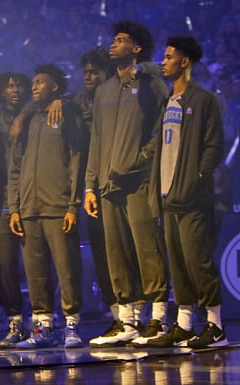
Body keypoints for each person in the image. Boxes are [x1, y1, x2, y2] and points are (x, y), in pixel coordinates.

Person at [85, 21, 170, 348]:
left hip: (139, 183)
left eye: (121, 41)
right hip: (107, 185)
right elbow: (96, 140)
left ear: (135, 48)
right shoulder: (104, 90)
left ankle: (159, 318)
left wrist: (142, 160)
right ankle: (127, 322)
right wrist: (89, 186)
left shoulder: (151, 84)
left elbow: (162, 127)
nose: (113, 45)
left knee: (147, 249)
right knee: (116, 252)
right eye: (113, 40)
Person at [145, 36, 227, 349]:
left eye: (168, 57)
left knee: (197, 260)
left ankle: (216, 327)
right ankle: (183, 325)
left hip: (192, 196)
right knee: (177, 263)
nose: (163, 62)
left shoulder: (203, 100)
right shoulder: (167, 101)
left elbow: (213, 146)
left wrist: (197, 177)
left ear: (184, 62)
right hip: (167, 196)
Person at [7, 64, 85, 348]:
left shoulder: (67, 115)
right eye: (34, 82)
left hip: (57, 205)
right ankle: (43, 326)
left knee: (66, 269)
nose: (34, 86)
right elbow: (14, 167)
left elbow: (76, 161)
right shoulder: (25, 120)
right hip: (28, 208)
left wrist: (72, 205)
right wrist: (14, 207)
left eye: (41, 82)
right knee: (35, 271)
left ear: (54, 87)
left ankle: (72, 324)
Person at [71, 48, 119, 332]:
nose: (88, 77)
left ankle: (135, 314)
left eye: (94, 72)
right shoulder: (76, 102)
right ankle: (115, 314)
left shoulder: (117, 99)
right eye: (85, 72)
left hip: (113, 183)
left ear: (106, 74)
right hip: (88, 187)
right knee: (100, 251)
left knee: (120, 251)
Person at [0, 72, 32, 348]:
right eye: (9, 85)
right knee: (6, 264)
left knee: (39, 262)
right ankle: (14, 320)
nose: (14, 89)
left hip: (34, 191)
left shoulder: (39, 111)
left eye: (19, 85)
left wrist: (24, 116)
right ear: (1, 90)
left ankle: (46, 319)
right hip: (2, 195)